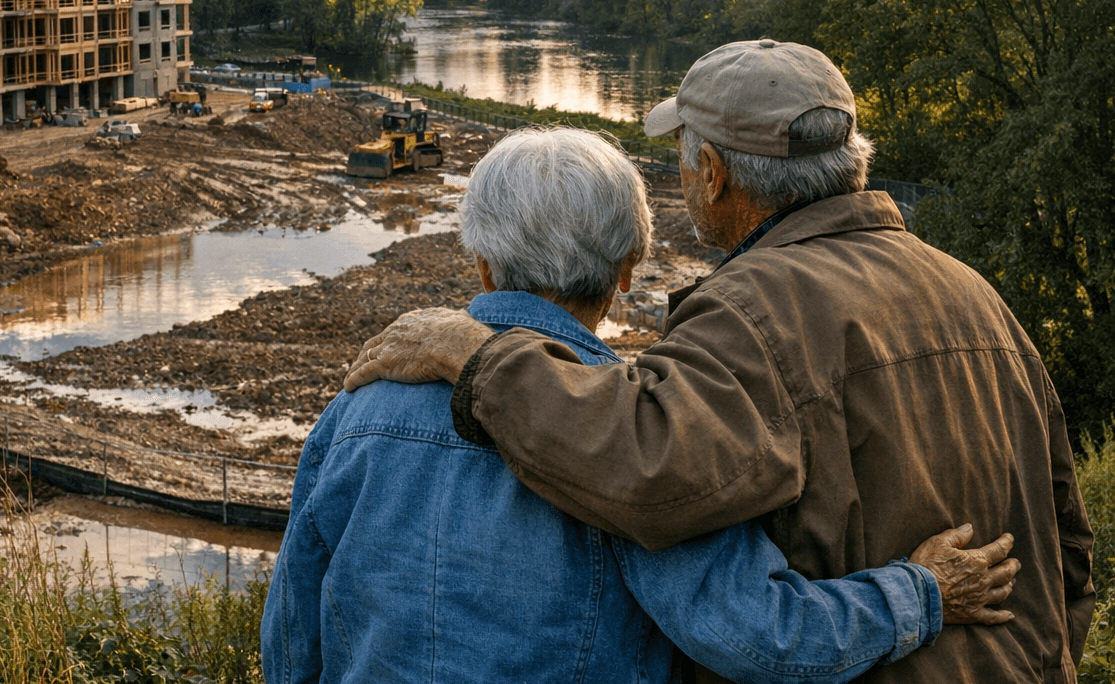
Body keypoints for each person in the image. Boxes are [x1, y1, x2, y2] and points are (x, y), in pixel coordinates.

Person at [346, 40, 1094, 682]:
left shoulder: (754, 309)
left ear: (713, 174)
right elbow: (1068, 540)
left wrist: (477, 356)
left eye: (682, 155)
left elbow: (647, 468)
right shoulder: (972, 291)